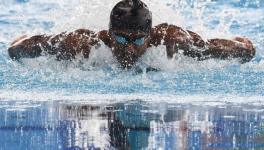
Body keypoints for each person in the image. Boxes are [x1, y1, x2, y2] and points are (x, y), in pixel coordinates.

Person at [8, 0, 255, 69]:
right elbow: (18, 48)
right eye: (120, 39)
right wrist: (18, 42)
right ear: (108, 33)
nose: (128, 49)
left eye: (137, 40)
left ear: (150, 35)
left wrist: (245, 48)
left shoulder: (171, 41)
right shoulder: (82, 45)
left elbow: (211, 48)